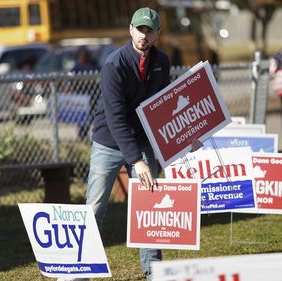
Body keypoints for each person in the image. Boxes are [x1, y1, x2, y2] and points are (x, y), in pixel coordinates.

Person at [85, 7, 200, 280]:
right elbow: (115, 118)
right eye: (139, 29)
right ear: (130, 30)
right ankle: (81, 270)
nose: (143, 35)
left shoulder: (162, 60)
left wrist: (185, 136)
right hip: (109, 141)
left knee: (151, 205)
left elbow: (164, 107)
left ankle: (153, 271)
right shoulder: (115, 65)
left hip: (142, 139)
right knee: (94, 207)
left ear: (158, 33)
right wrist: (137, 160)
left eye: (149, 30)